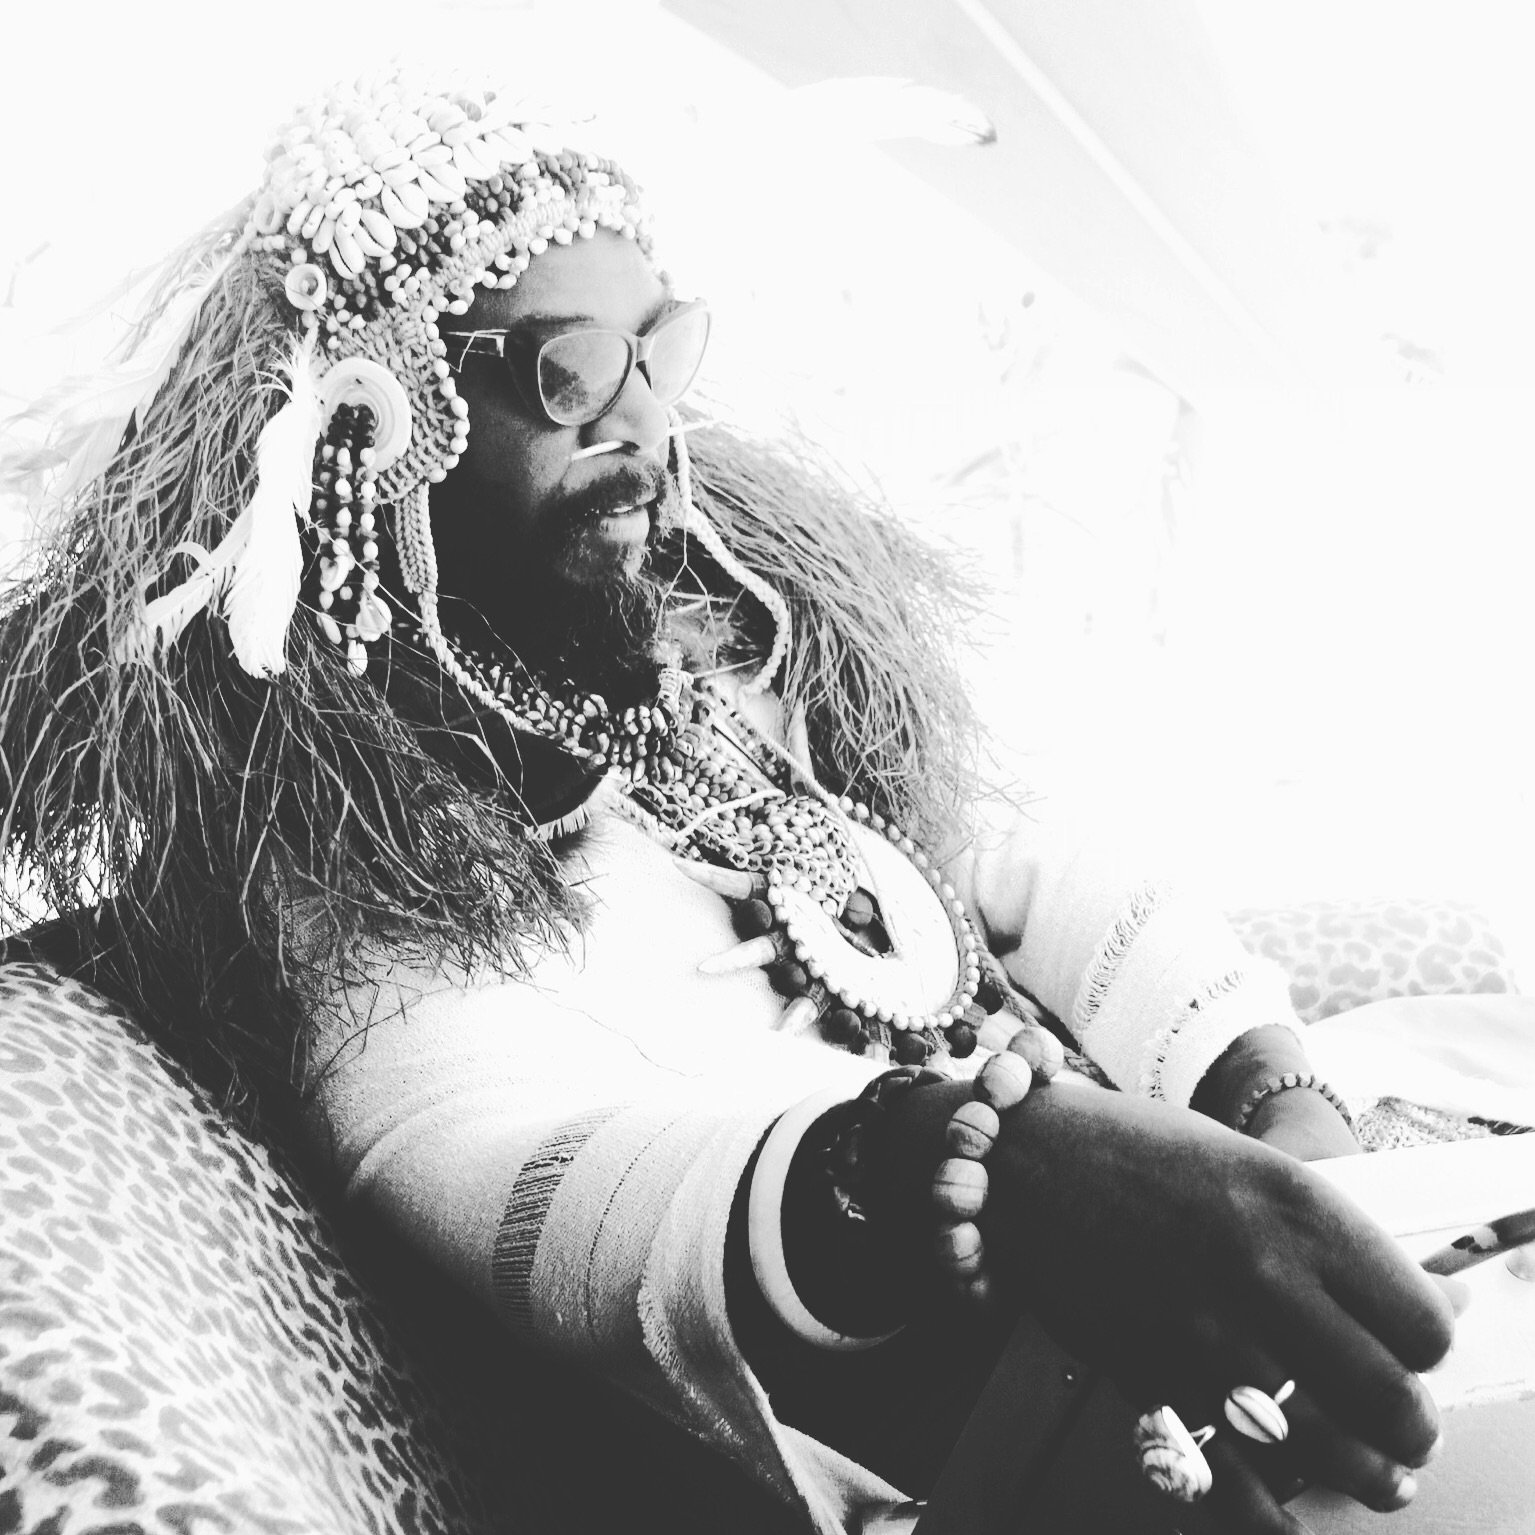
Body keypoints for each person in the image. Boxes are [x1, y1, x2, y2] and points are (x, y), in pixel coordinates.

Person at [0, 72, 1459, 1535]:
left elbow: (1021, 873)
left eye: (659, 348)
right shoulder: (354, 882)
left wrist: (1266, 1097)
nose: (646, 419)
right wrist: (977, 1162)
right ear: (380, 424)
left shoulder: (713, 676)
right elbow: (548, 1199)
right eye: (569, 372)